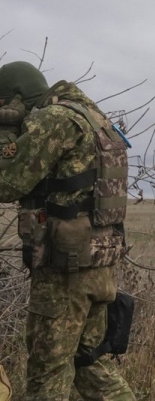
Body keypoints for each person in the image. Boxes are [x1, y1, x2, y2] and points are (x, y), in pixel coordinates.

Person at [0, 61, 135, 401]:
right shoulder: (92, 116)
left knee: (47, 376)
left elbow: (7, 184)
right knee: (89, 364)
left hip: (65, 270)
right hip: (98, 262)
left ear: (16, 99)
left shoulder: (52, 120)